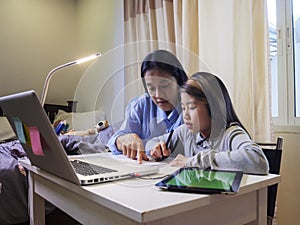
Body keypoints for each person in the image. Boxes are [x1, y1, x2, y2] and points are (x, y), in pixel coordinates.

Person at [146, 72, 269, 175]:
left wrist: (192, 161)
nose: (185, 115)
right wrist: (155, 149)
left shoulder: (230, 134)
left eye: (192, 107)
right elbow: (151, 143)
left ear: (214, 107)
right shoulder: (185, 132)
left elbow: (258, 161)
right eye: (183, 108)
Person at [107, 50, 188, 163]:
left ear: (179, 82)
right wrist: (123, 140)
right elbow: (114, 141)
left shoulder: (192, 107)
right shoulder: (141, 105)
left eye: (165, 85)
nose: (158, 95)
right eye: (151, 88)